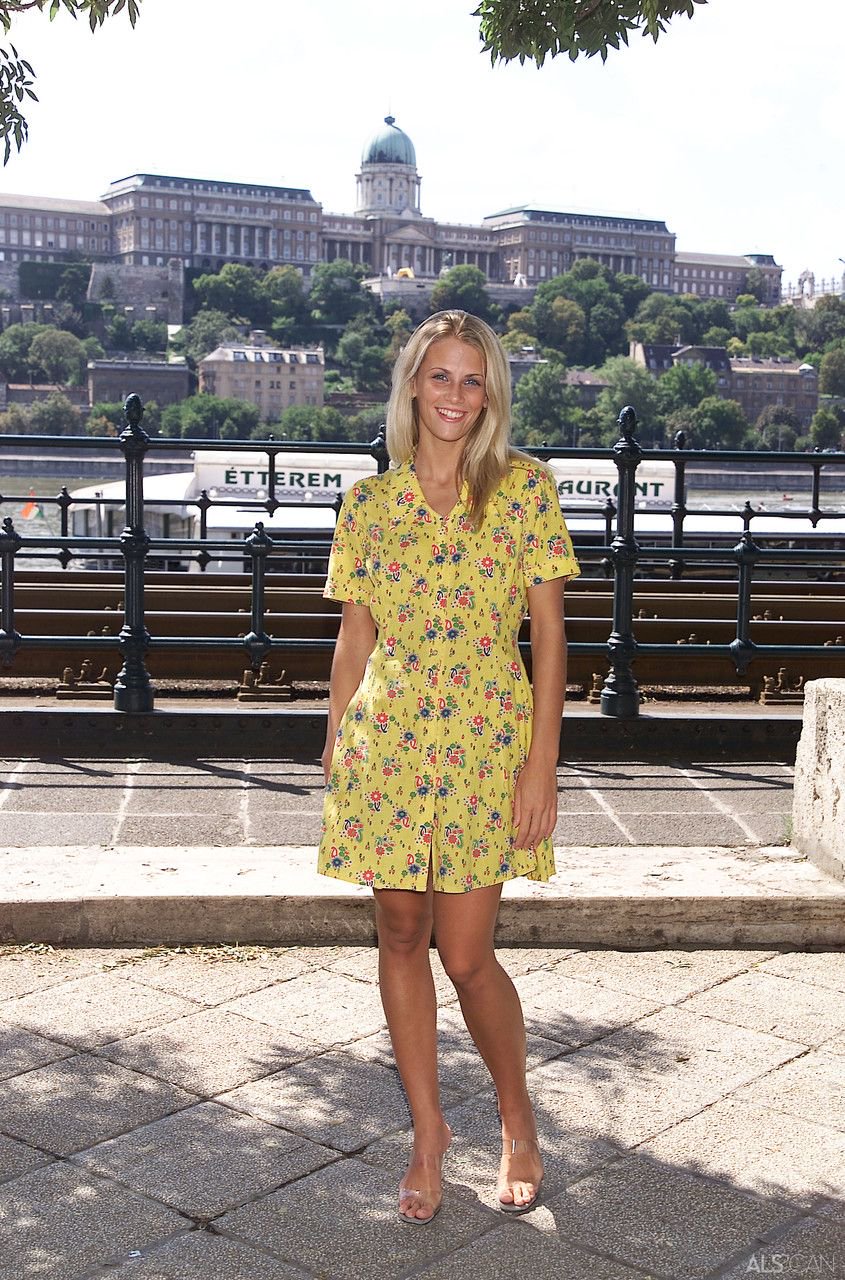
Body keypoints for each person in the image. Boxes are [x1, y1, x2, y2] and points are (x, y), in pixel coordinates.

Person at [318, 310, 579, 1224]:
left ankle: (516, 1116)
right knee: (398, 933)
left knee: (466, 955)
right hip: (385, 744)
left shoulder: (524, 489)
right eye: (440, 376)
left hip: (483, 743)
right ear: (412, 385)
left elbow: (549, 638)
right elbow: (355, 638)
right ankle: (427, 1133)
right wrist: (335, 739)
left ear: (490, 393)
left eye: (473, 379)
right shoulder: (368, 503)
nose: (456, 396)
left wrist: (541, 764)